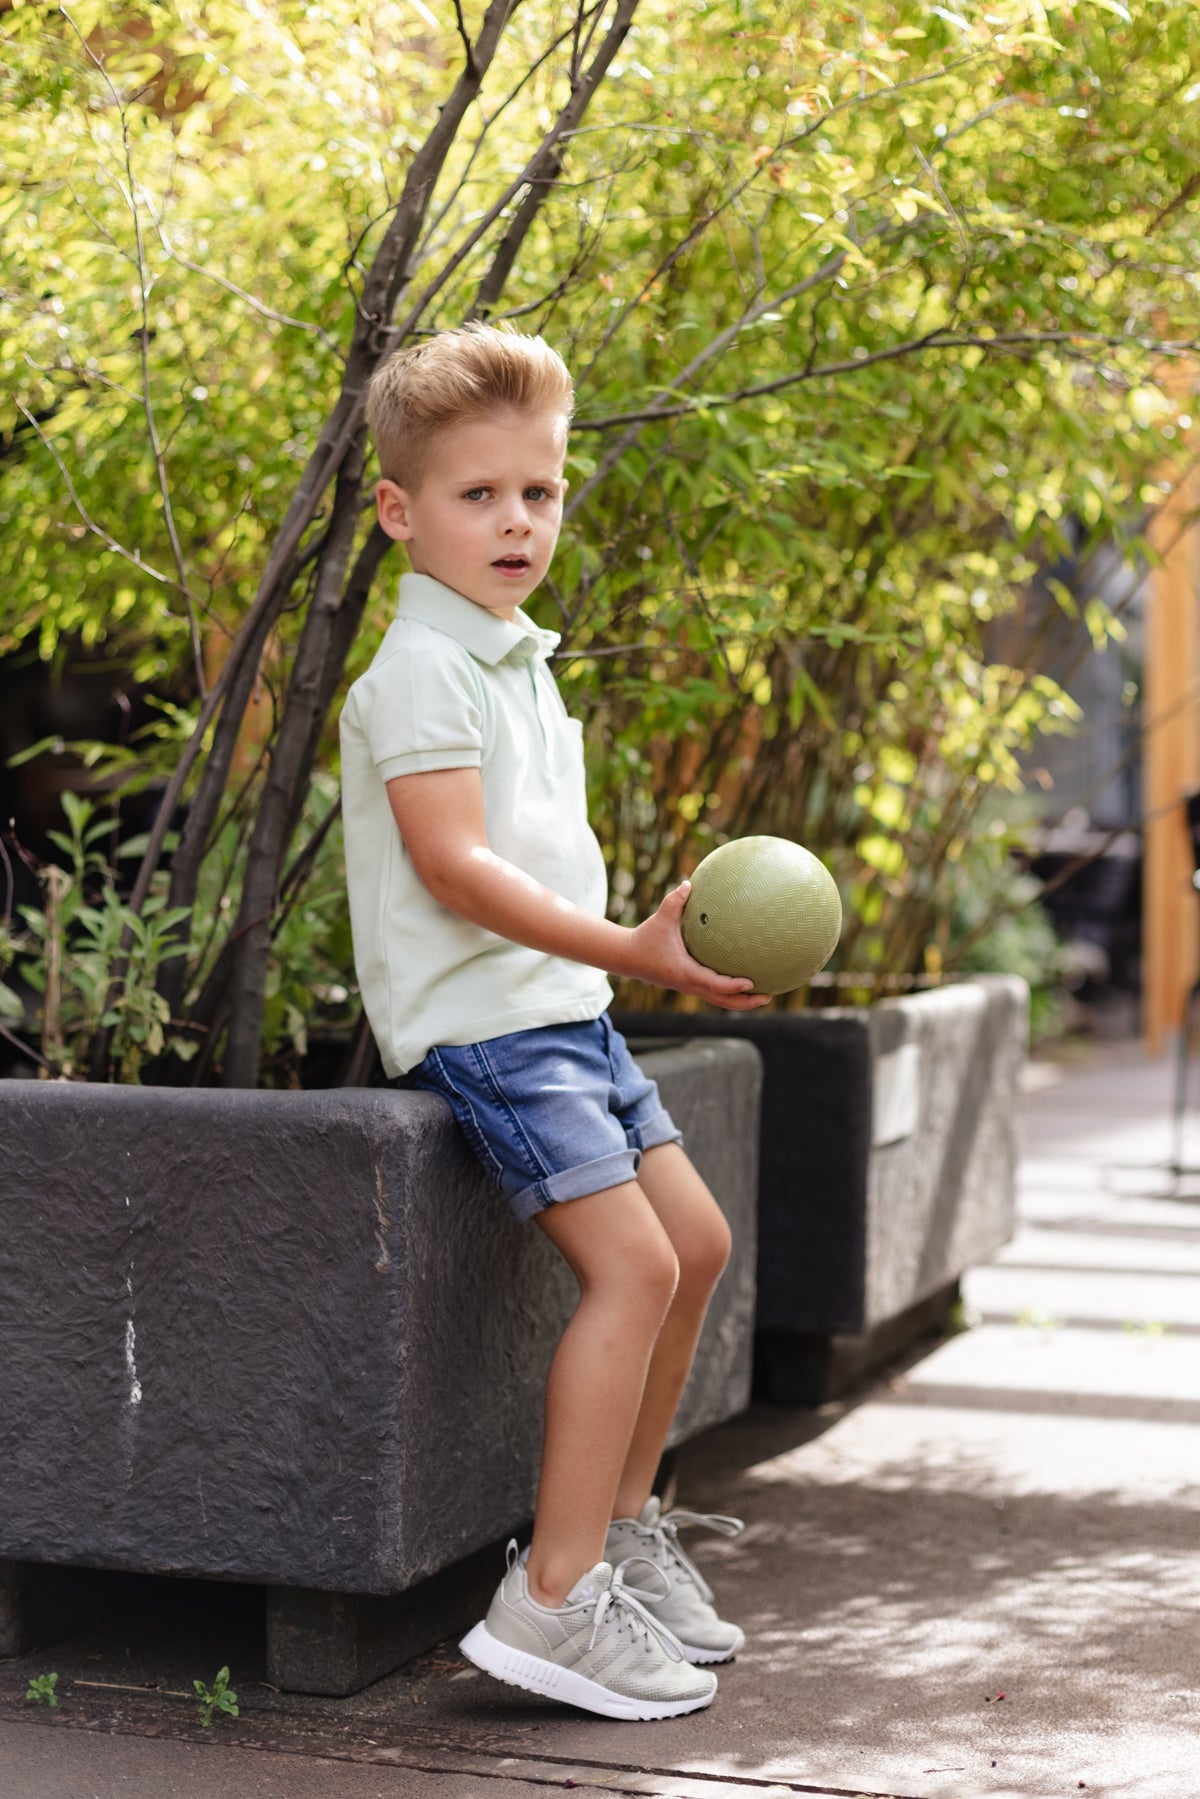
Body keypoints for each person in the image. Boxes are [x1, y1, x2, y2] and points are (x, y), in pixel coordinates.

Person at [339, 324, 767, 1721]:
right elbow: (456, 870)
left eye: (540, 491)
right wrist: (637, 950)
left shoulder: (516, 655)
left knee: (696, 1244)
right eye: (479, 495)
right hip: (490, 1025)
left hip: (560, 1011)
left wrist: (620, 962)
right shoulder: (423, 668)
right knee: (633, 1268)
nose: (517, 521)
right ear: (399, 511)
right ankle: (554, 1596)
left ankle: (620, 1530)